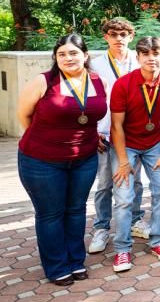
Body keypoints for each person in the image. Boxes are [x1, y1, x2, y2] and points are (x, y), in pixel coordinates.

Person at [17, 34, 108, 285]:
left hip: (84, 159)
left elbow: (92, 114)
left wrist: (90, 136)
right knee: (50, 214)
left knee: (76, 210)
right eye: (62, 54)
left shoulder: (97, 80)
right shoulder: (43, 81)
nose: (68, 58)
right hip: (41, 160)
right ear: (55, 58)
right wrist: (48, 141)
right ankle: (57, 266)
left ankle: (76, 261)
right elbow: (24, 115)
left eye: (73, 53)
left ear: (85, 55)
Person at [109, 37, 160, 272]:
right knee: (124, 197)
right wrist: (121, 161)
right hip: (126, 144)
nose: (151, 58)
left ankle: (158, 241)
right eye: (145, 54)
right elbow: (116, 126)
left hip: (154, 143)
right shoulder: (123, 84)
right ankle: (121, 249)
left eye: (156, 53)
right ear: (137, 57)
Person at [88, 19, 146, 254]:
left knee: (136, 180)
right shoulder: (95, 64)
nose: (118, 38)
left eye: (123, 34)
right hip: (104, 132)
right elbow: (88, 99)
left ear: (131, 36)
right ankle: (101, 227)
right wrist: (93, 130)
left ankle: (135, 219)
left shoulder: (138, 61)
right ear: (106, 37)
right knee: (104, 183)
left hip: (133, 131)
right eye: (113, 34)